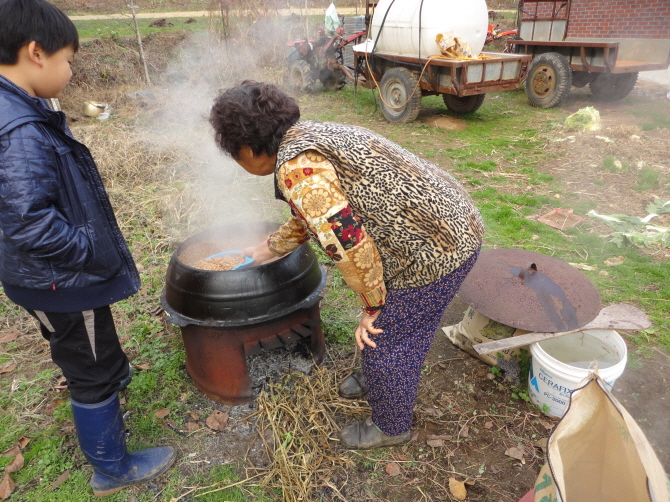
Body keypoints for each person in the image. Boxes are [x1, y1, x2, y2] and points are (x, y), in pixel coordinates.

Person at [209, 81, 484, 450]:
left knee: (384, 340)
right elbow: (316, 213)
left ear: (245, 147)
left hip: (435, 248)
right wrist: (269, 248)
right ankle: (379, 379)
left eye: (234, 154)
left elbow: (350, 245)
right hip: (449, 218)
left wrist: (372, 307)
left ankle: (391, 425)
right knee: (403, 328)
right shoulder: (303, 136)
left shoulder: (298, 170)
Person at [0, 0, 175, 496]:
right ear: (36, 52)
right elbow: (29, 223)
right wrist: (93, 253)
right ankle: (112, 468)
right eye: (68, 60)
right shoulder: (19, 130)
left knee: (90, 349)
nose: (71, 71)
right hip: (61, 280)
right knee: (87, 366)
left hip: (46, 278)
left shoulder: (17, 107)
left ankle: (108, 382)